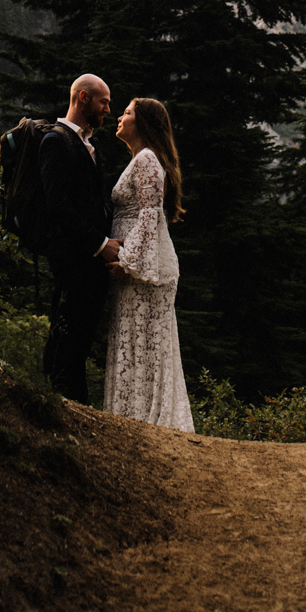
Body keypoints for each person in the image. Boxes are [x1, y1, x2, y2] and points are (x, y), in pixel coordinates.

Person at [103, 96, 193, 431]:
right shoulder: (144, 159)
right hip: (143, 267)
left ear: (141, 122)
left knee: (143, 345)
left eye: (126, 113)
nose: (119, 118)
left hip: (144, 271)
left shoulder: (146, 160)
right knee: (139, 344)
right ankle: (135, 418)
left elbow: (150, 216)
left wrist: (126, 261)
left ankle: (143, 422)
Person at [39, 74, 121, 402]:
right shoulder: (55, 141)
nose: (108, 110)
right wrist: (100, 245)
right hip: (72, 258)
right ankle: (64, 402)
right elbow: (58, 206)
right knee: (68, 331)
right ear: (83, 98)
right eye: (104, 102)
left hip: (88, 260)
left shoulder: (89, 145)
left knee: (82, 333)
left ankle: (73, 402)